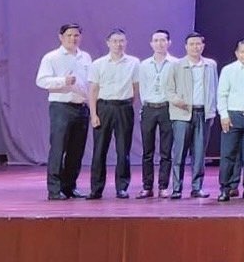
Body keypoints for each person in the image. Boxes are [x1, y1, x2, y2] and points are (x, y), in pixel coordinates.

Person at [37, 23, 91, 200]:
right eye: (69, 35)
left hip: (81, 107)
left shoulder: (85, 57)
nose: (73, 38)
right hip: (61, 107)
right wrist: (63, 81)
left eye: (76, 35)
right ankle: (54, 189)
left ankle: (70, 187)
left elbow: (90, 83)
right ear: (61, 37)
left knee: (76, 150)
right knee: (58, 148)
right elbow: (41, 81)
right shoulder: (51, 57)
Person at [163, 32, 218, 199]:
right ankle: (177, 188)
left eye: (198, 44)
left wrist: (212, 110)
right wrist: (177, 101)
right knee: (179, 152)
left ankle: (197, 187)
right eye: (192, 44)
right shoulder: (176, 65)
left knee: (199, 153)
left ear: (203, 46)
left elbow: (214, 88)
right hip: (182, 113)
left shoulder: (210, 65)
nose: (195, 47)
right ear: (186, 47)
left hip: (203, 113)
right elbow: (168, 89)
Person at [86, 28, 139, 199]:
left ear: (126, 42)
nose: (118, 44)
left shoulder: (134, 62)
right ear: (108, 43)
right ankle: (96, 188)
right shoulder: (98, 64)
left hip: (124, 107)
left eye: (121, 41)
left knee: (123, 150)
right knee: (99, 150)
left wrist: (127, 103)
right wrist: (94, 114)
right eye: (115, 41)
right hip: (104, 107)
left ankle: (122, 187)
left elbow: (135, 88)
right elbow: (93, 90)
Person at [216, 38, 244, 201]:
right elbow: (222, 94)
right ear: (236, 53)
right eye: (242, 52)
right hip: (232, 115)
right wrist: (224, 115)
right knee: (228, 154)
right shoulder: (228, 70)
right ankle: (225, 188)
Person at [135, 29, 176, 199]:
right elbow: (141, 87)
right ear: (151, 43)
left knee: (166, 150)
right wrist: (144, 105)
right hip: (149, 108)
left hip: (167, 108)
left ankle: (164, 186)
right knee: (147, 150)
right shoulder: (144, 65)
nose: (159, 43)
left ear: (169, 43)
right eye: (156, 40)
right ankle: (147, 186)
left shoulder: (175, 63)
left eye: (163, 40)